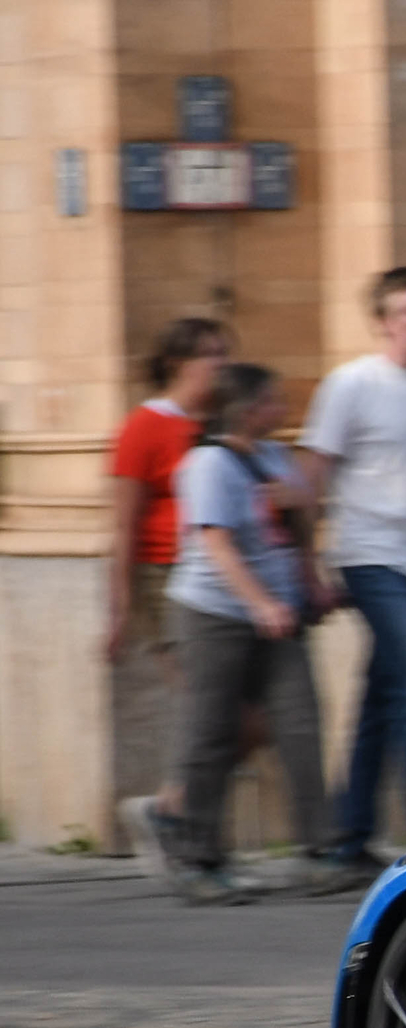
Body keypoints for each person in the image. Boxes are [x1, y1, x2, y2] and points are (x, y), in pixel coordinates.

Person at [162, 364, 347, 903]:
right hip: (214, 614)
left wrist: (310, 580)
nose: (283, 408)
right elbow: (216, 544)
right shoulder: (208, 464)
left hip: (278, 614)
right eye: (273, 401)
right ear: (246, 410)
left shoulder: (270, 457)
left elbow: (298, 517)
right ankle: (197, 858)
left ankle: (318, 851)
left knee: (300, 723)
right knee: (210, 730)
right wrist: (260, 603)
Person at [300, 265, 406, 873]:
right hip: (371, 554)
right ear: (384, 322)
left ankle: (348, 835)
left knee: (382, 698)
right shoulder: (352, 384)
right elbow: (311, 475)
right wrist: (310, 563)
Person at [108, 317, 231, 884]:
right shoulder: (145, 427)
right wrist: (119, 610)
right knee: (206, 710)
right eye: (214, 356)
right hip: (165, 578)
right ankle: (182, 824)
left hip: (217, 578)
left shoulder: (216, 425)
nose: (224, 365)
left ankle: (169, 807)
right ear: (181, 363)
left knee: (236, 719)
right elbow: (124, 526)